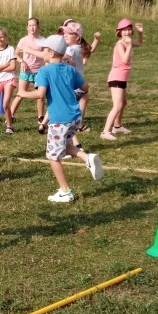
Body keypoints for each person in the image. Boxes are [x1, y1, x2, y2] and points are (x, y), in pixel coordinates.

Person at [21, 34, 103, 202]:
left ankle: (65, 191)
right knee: (64, 146)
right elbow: (85, 86)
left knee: (53, 156)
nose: (42, 52)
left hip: (59, 120)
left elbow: (40, 94)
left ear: (51, 53)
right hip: (74, 117)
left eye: (44, 50)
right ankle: (86, 157)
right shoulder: (70, 69)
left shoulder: (44, 71)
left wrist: (23, 93)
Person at [101, 18, 144, 140]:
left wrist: (140, 32)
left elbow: (139, 43)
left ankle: (117, 126)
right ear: (119, 32)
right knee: (117, 105)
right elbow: (125, 60)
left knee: (123, 103)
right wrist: (129, 45)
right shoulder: (120, 44)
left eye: (129, 29)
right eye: (124, 30)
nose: (127, 32)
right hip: (116, 77)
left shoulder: (128, 42)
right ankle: (105, 132)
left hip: (123, 78)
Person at [61, 20, 101, 129]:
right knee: (84, 99)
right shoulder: (80, 47)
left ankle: (64, 124)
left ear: (77, 37)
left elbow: (62, 57)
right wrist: (96, 40)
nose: (65, 35)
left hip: (71, 83)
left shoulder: (71, 49)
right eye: (65, 33)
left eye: (69, 33)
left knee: (67, 104)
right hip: (79, 82)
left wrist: (50, 53)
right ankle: (79, 123)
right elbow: (91, 50)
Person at [9, 17, 46, 129]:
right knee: (20, 94)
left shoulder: (43, 40)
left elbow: (46, 55)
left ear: (38, 26)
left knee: (40, 95)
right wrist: (21, 61)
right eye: (30, 25)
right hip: (26, 71)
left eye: (34, 25)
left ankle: (40, 117)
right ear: (27, 27)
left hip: (39, 71)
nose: (32, 28)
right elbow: (15, 54)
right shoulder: (23, 40)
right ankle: (10, 116)